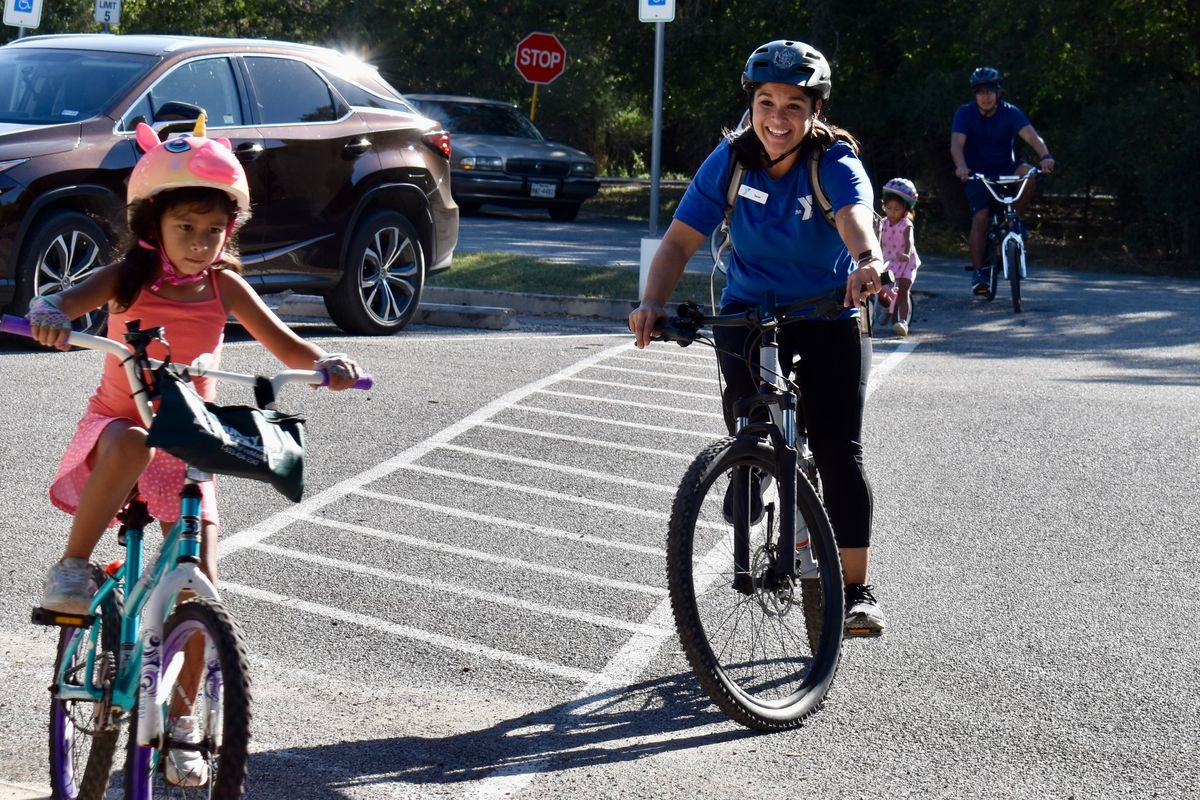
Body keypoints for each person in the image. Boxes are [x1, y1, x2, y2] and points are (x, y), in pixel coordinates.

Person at [27, 116, 362, 785]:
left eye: (215, 232)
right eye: (188, 228)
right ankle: (72, 567)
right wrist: (53, 317)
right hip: (119, 428)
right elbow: (63, 299)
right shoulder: (128, 276)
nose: (203, 243)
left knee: (203, 588)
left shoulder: (225, 285)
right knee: (131, 440)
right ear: (154, 225)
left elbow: (287, 347)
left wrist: (327, 362)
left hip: (188, 439)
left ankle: (183, 724)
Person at [628, 39, 887, 637]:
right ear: (751, 104)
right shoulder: (731, 161)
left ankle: (856, 590)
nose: (777, 117)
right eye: (766, 101)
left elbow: (855, 217)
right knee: (746, 420)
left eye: (794, 105)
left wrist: (867, 262)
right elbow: (678, 241)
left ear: (815, 111)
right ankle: (752, 463)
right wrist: (652, 302)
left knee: (837, 450)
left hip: (826, 313)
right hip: (746, 314)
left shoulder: (833, 163)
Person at [950, 66, 1055, 295]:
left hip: (1006, 169)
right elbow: (957, 143)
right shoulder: (965, 113)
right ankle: (979, 274)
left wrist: (1045, 156)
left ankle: (1014, 219)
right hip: (977, 174)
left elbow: (1031, 136)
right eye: (980, 92)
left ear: (998, 92)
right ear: (974, 94)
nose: (985, 96)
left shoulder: (1010, 112)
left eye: (990, 91)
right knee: (981, 217)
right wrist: (961, 166)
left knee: (1029, 173)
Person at [878, 177, 921, 336]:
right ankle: (888, 306)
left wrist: (907, 253)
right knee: (878, 286)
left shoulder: (906, 225)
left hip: (906, 261)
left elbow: (909, 241)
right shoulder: (883, 223)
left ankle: (902, 321)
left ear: (906, 209)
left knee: (904, 291)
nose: (892, 212)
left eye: (897, 209)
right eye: (889, 208)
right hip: (889, 261)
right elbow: (876, 238)